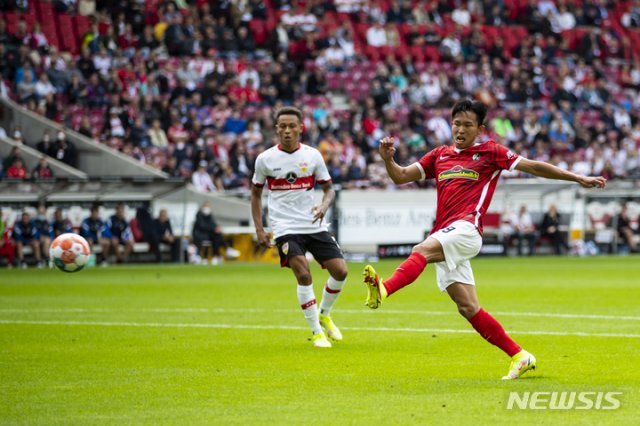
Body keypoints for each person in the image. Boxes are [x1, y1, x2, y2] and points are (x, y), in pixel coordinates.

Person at [362, 99, 606, 379]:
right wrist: (388, 159)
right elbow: (401, 176)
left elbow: (534, 167)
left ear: (480, 129)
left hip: (467, 229)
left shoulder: (491, 152)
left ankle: (384, 289)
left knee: (422, 249)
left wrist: (577, 177)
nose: (460, 129)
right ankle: (520, 355)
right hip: (445, 232)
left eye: (467, 125)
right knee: (467, 307)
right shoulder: (439, 155)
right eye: (456, 123)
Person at [251, 106, 349, 348]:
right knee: (304, 274)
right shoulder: (265, 159)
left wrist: (323, 206)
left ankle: (324, 314)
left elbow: (329, 190)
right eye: (282, 126)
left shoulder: (313, 155)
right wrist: (260, 229)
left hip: (313, 223)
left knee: (340, 271)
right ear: (276, 129)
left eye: (291, 126)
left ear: (300, 128)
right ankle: (316, 332)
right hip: (285, 227)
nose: (287, 130)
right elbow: (255, 195)